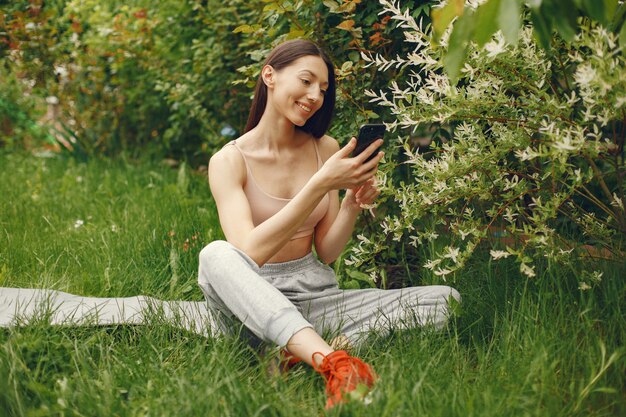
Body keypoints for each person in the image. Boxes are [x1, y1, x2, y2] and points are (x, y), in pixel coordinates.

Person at [197, 39, 460, 409]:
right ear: (269, 75)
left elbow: (327, 251)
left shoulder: (324, 148)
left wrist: (351, 203)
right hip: (250, 307)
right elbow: (249, 252)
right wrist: (320, 183)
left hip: (317, 298)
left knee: (445, 300)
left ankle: (299, 351)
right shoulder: (228, 161)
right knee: (215, 255)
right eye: (306, 81)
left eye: (322, 88)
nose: (315, 96)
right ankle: (334, 361)